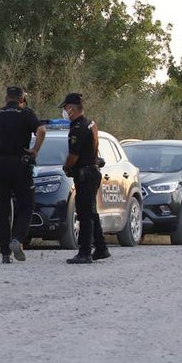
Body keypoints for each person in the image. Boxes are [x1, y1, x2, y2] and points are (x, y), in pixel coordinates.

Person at [0, 86, 44, 263]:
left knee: (2, 209)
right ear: (21, 99)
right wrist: (35, 150)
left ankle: (4, 253)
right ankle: (16, 239)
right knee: (26, 205)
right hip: (20, 164)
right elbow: (41, 131)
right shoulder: (26, 114)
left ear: (5, 98)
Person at [61, 92, 110, 264]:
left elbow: (74, 155)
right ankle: (101, 247)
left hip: (85, 173)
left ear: (72, 109)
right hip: (92, 171)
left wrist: (66, 167)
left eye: (66, 108)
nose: (65, 111)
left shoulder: (77, 127)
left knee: (84, 213)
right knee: (91, 211)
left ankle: (84, 252)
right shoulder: (91, 123)